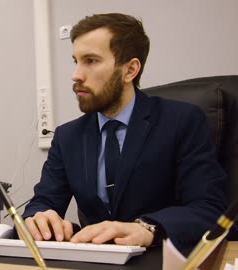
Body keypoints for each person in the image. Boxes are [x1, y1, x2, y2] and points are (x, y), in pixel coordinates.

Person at [22, 13, 227, 251]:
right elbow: (44, 201)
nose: (76, 75)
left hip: (162, 260)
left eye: (91, 60)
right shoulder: (68, 136)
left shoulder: (182, 121)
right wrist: (39, 218)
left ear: (130, 70)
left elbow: (210, 210)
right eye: (75, 61)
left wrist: (146, 228)